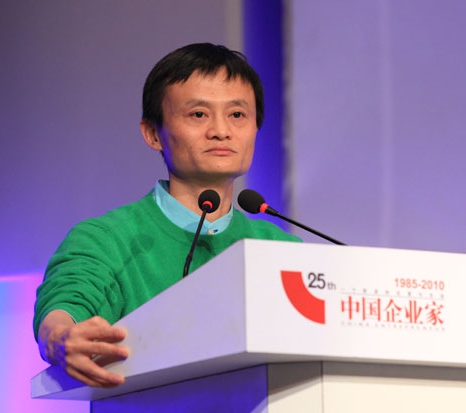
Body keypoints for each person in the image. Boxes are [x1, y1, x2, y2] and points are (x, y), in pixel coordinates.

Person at [33, 43, 301, 388]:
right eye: (198, 115)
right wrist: (60, 337)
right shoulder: (107, 239)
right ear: (152, 133)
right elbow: (65, 306)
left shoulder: (281, 248)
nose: (221, 130)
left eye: (237, 115)